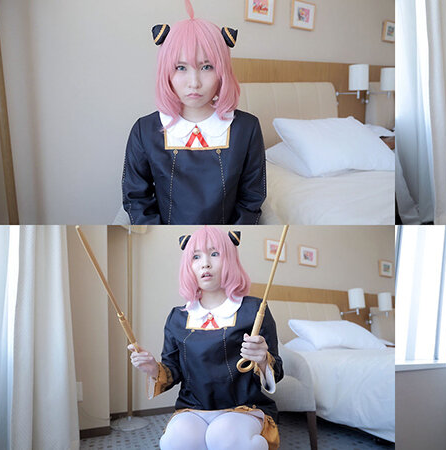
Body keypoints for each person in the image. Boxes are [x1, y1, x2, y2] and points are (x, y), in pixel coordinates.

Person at [128, 226, 283, 450]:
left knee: (224, 436)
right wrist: (153, 368)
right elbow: (173, 369)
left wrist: (262, 359)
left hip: (244, 407)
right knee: (175, 441)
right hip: (193, 408)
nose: (205, 264)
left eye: (214, 253)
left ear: (230, 259)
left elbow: (276, 370)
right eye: (196, 256)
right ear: (188, 266)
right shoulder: (177, 317)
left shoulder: (254, 310)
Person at [122, 0, 265, 224]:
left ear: (222, 71)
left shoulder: (247, 129)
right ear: (166, 72)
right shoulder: (144, 130)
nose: (194, 82)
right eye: (181, 67)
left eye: (206, 67)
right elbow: (137, 200)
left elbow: (251, 200)